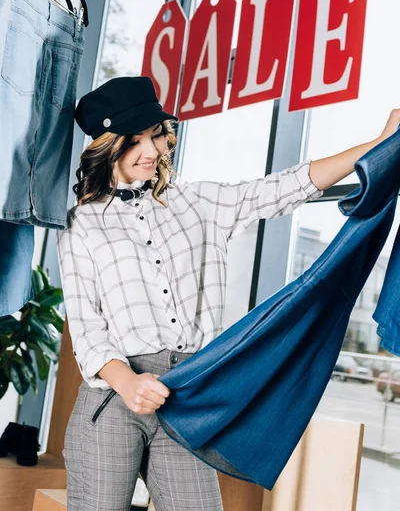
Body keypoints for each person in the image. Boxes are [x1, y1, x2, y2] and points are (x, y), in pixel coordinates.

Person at [56, 75, 400, 511]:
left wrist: (378, 144)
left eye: (155, 135)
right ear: (107, 146)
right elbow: (87, 327)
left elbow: (287, 186)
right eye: (132, 141)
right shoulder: (81, 226)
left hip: (188, 395)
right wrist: (127, 383)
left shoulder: (198, 203)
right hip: (112, 397)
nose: (150, 151)